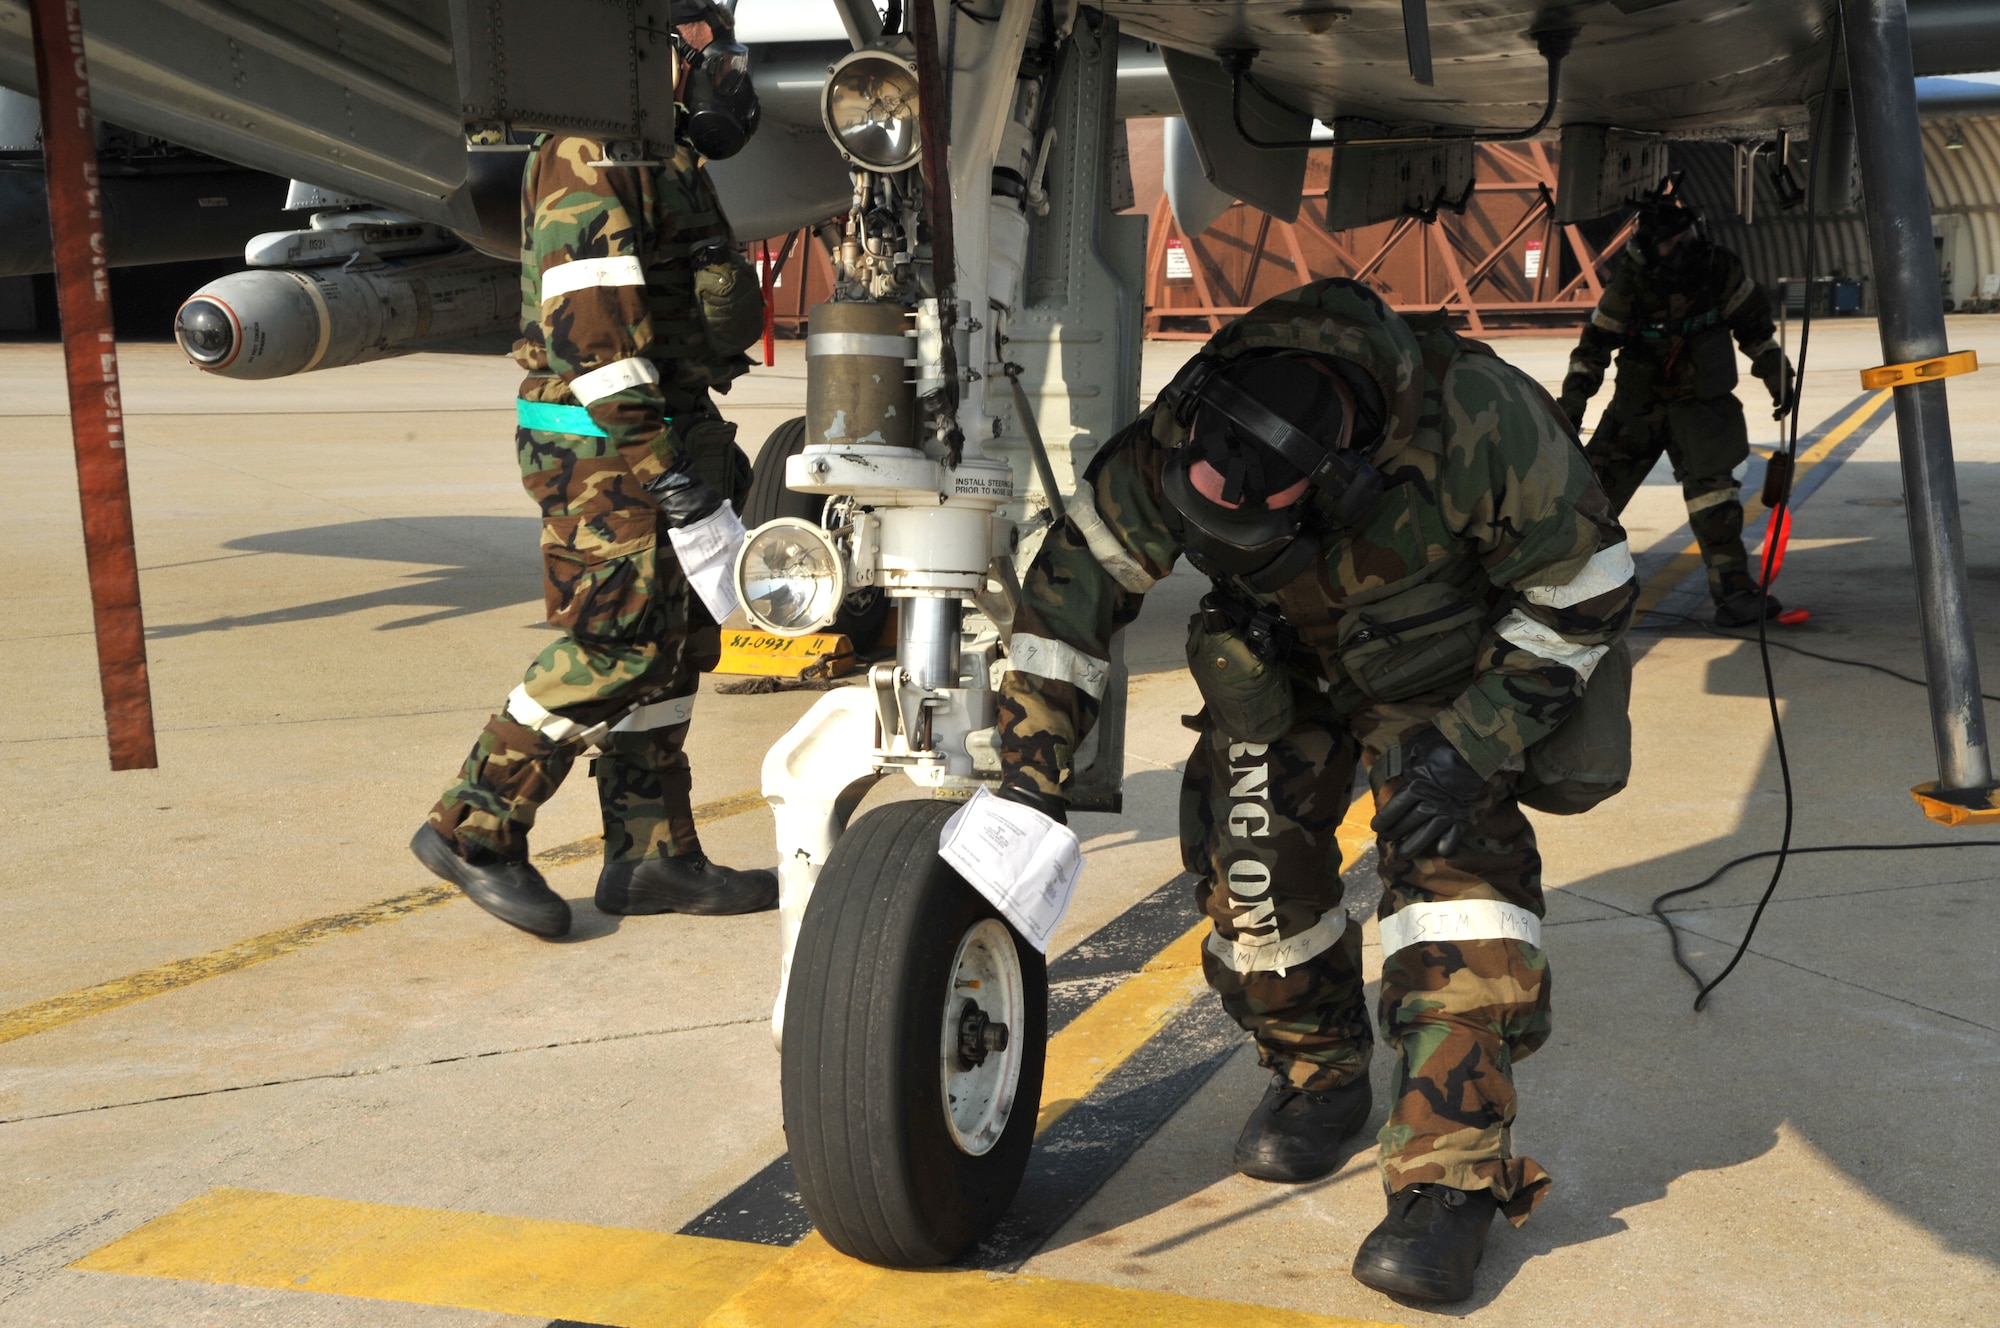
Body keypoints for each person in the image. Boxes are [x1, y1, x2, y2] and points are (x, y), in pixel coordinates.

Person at [976, 278, 1637, 1302]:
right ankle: (1315, 1073)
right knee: (1251, 882)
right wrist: (1024, 782)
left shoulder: (1482, 424)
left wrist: (1469, 743)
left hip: (1448, 675)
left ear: (1333, 481)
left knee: (1457, 900)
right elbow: (1068, 596)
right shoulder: (1183, 433)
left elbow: (1584, 585)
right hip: (1278, 671)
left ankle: (1446, 1179)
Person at [410, 0, 776, 938]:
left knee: (679, 649)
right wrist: (670, 477)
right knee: (615, 645)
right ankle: (474, 828)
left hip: (670, 429)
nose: (718, 62)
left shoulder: (659, 154)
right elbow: (594, 342)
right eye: (700, 39)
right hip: (605, 447)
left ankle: (651, 856)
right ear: (645, 44)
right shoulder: (588, 156)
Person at [1558, 186, 1795, 626]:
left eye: (1688, 236)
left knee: (1716, 502)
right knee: (1592, 505)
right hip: (1638, 411)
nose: (1684, 247)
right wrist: (1571, 407)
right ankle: (1556, 593)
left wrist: (1778, 376)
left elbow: (1755, 332)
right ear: (1651, 247)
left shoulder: (1718, 269)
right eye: (1672, 242)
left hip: (1703, 408)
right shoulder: (1631, 282)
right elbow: (1593, 349)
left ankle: (1735, 595)